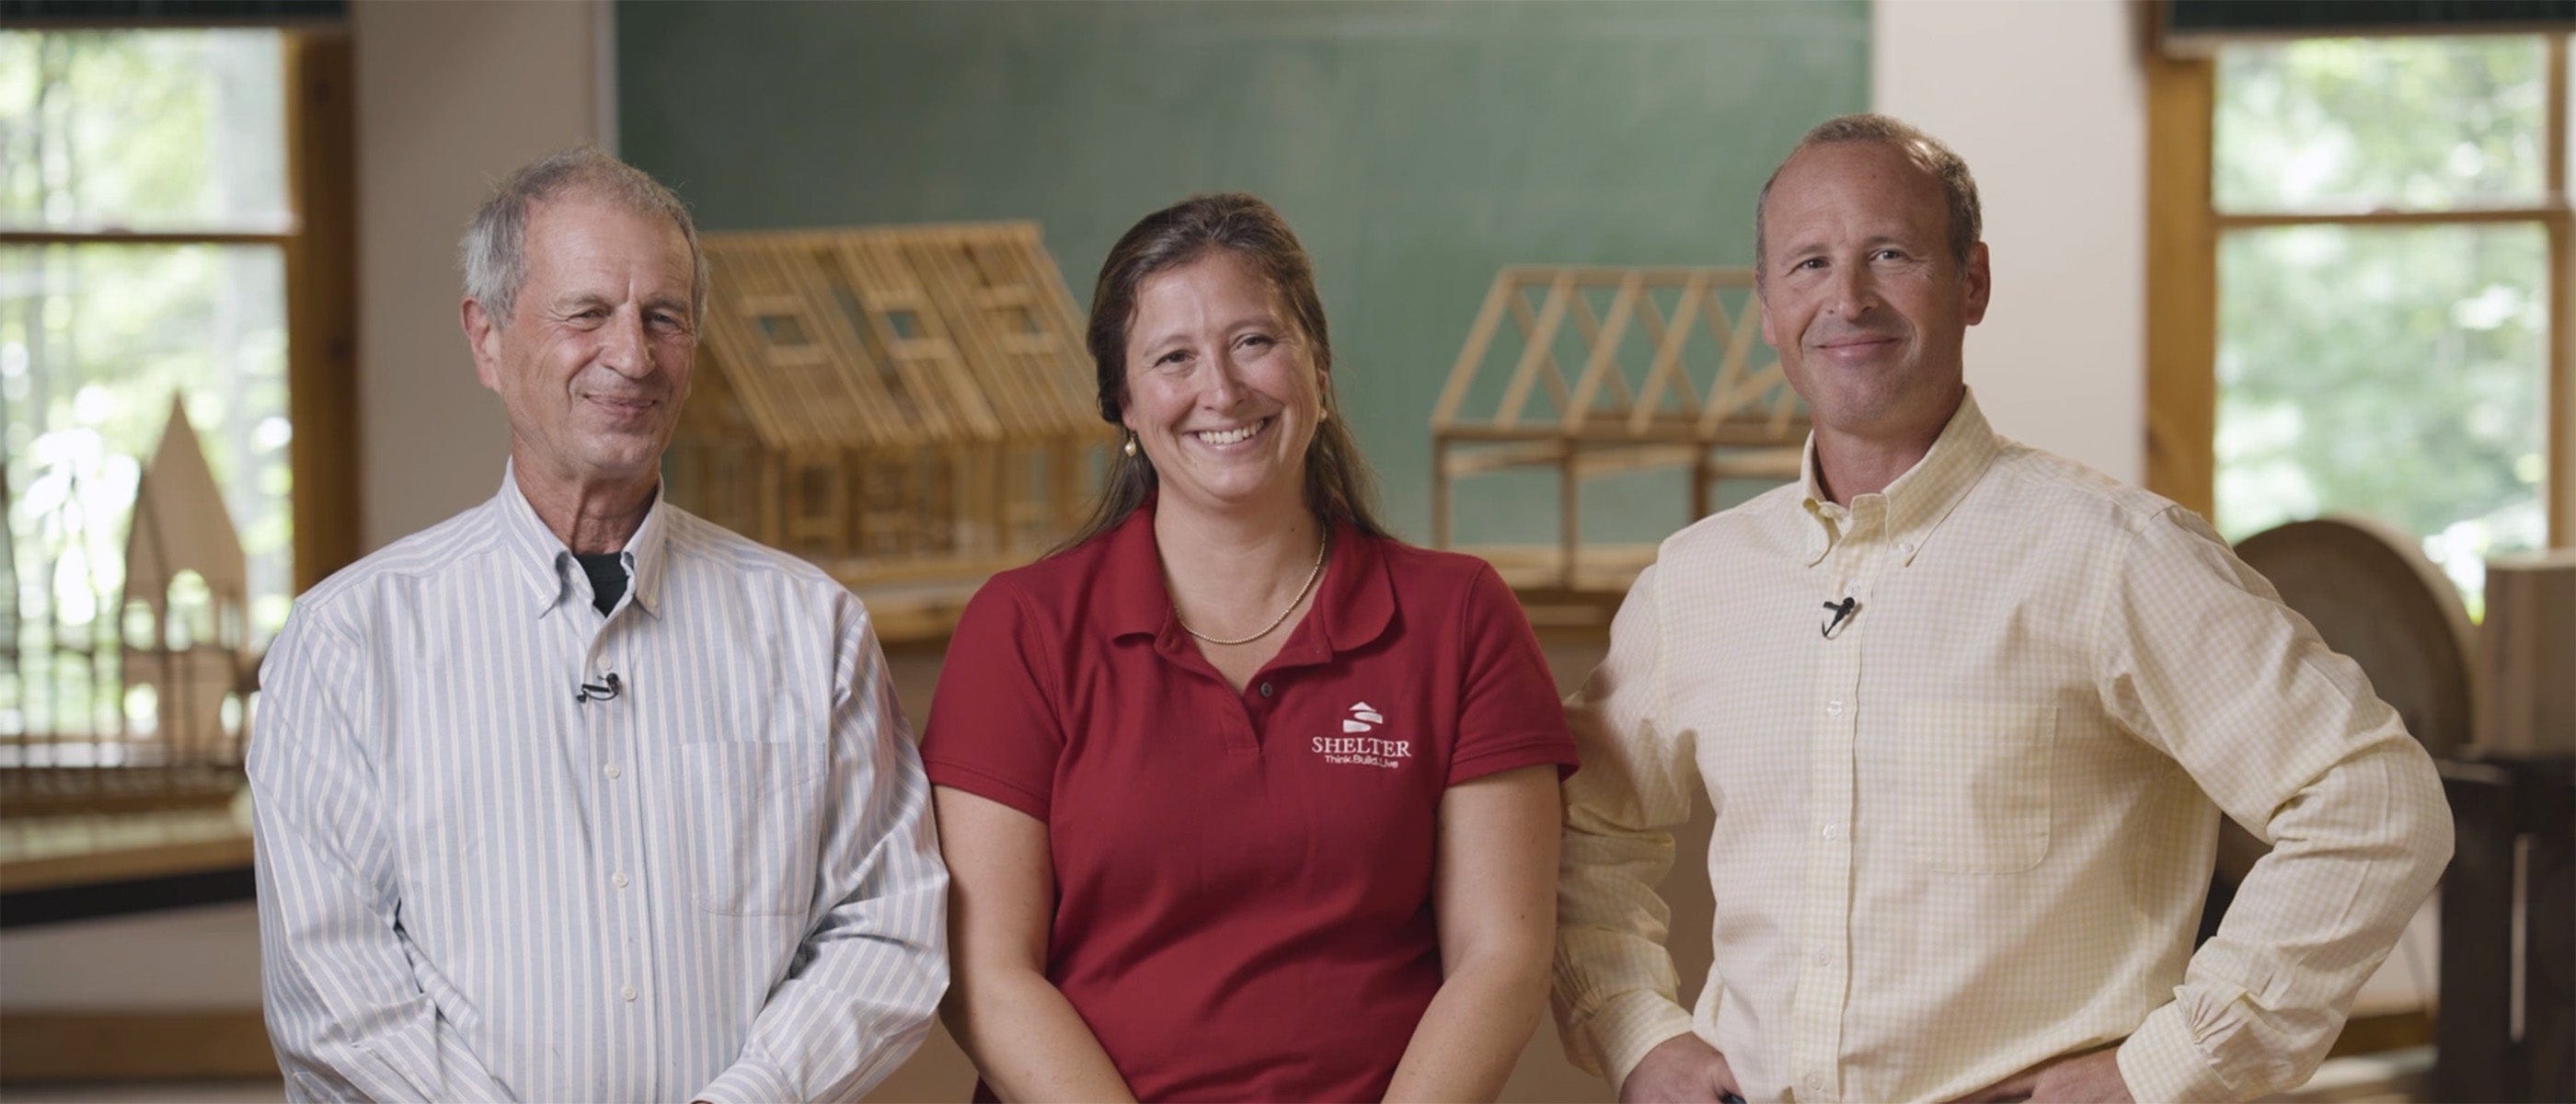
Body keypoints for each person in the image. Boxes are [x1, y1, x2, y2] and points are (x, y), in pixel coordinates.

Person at [1551, 114, 2453, 1104]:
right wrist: (1636, 1028)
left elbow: (2372, 801)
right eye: (1807, 264)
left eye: (1888, 254)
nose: (1845, 298)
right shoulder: (1696, 582)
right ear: (1766, 306)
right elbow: (1582, 829)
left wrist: (2164, 1070)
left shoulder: (2115, 558)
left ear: (1971, 282)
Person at [249, 147, 947, 1103]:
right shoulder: (349, 642)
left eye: (665, 317)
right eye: (587, 313)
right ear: (485, 338)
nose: (633, 355)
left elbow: (887, 924)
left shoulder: (810, 626)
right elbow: (334, 992)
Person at [920, 192, 1575, 1102]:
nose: (1221, 391)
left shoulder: (1457, 616)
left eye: (1254, 342)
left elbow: (1499, 956)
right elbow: (986, 973)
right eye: (1174, 358)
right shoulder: (1023, 629)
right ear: (1124, 403)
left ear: (1318, 365)